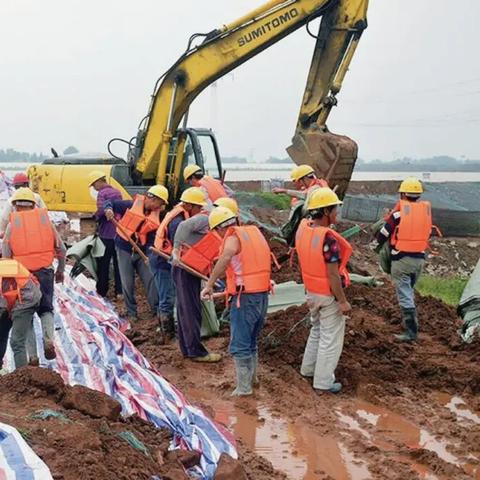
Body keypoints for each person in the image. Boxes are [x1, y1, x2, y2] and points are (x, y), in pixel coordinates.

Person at [201, 207, 272, 396]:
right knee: (251, 341)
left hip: (245, 298)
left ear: (220, 228)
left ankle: (243, 388)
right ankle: (253, 380)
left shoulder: (232, 238)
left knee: (240, 344)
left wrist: (209, 285)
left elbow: (225, 257)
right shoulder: (253, 233)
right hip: (261, 294)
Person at [295, 187, 352, 394]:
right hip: (328, 296)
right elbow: (333, 275)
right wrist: (343, 301)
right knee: (331, 339)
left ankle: (308, 370)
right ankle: (323, 382)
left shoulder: (305, 230)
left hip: (311, 292)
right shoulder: (328, 238)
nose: (337, 213)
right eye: (335, 209)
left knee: (317, 331)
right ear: (326, 211)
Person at [2, 187, 66, 361]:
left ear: (15, 205)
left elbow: (6, 254)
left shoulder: (12, 224)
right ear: (34, 204)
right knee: (46, 309)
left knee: (26, 312)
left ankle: (32, 357)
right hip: (45, 272)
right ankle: (48, 340)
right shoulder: (46, 222)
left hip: (23, 277)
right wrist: (60, 271)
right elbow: (61, 248)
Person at [375, 177, 432, 342]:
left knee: (404, 293)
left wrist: (377, 244)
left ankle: (411, 332)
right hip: (419, 259)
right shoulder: (425, 212)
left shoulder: (399, 214)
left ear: (403, 194)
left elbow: (385, 233)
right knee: (409, 290)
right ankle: (410, 325)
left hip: (401, 259)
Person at [171, 187, 221, 362]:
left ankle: (188, 349)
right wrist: (176, 250)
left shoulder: (200, 217)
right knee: (191, 310)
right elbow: (183, 226)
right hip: (185, 269)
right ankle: (196, 352)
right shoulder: (202, 218)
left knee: (186, 310)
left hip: (186, 268)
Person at [104, 185, 168, 322]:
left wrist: (149, 257)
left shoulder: (156, 216)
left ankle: (156, 309)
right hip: (124, 249)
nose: (160, 207)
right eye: (160, 203)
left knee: (150, 279)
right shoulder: (130, 205)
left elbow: (151, 240)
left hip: (141, 252)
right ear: (152, 198)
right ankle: (131, 313)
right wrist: (108, 209)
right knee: (127, 282)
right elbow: (110, 203)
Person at [151, 190, 192, 340]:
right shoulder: (177, 222)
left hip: (165, 259)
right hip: (162, 261)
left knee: (169, 295)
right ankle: (167, 334)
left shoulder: (178, 215)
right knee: (167, 297)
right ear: (188, 205)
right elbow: (178, 247)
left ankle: (166, 329)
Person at [0, 259, 42, 369]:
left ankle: (22, 378)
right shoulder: (4, 264)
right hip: (12, 299)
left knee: (16, 341)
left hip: (25, 301)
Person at [88, 171, 123, 298]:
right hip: (118, 233)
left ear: (99, 181)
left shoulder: (102, 193)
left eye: (94, 185)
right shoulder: (117, 192)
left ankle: (102, 291)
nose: (94, 188)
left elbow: (102, 211)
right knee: (119, 264)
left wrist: (95, 216)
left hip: (106, 234)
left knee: (103, 264)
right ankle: (120, 292)